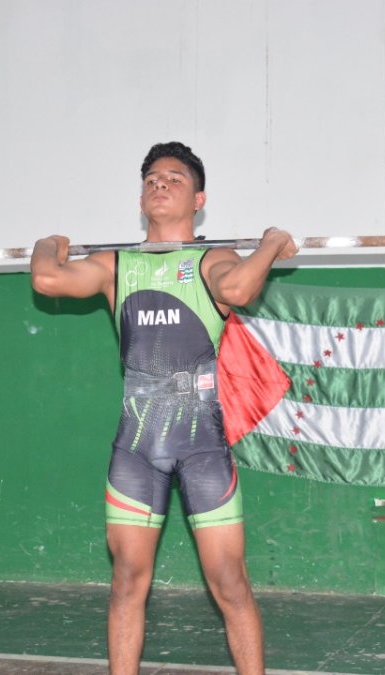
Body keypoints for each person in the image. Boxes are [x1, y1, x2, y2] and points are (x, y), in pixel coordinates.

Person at [30, 141, 297, 675]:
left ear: (199, 199)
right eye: (152, 177)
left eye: (174, 178)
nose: (160, 183)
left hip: (203, 451)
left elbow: (241, 288)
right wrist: (48, 242)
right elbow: (47, 277)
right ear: (140, 195)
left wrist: (268, 245)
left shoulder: (212, 260)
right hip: (136, 449)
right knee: (128, 580)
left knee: (229, 583)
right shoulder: (116, 265)